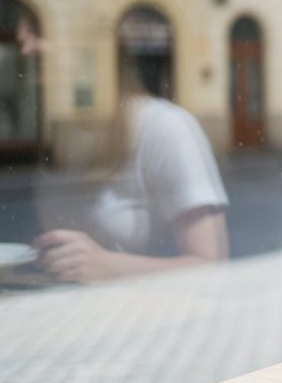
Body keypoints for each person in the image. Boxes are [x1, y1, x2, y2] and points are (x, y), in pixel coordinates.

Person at [33, 51, 229, 282]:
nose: (26, 47)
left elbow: (211, 266)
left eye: (34, 34)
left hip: (150, 314)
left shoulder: (164, 127)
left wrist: (107, 266)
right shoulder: (61, 133)